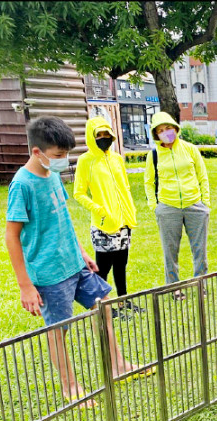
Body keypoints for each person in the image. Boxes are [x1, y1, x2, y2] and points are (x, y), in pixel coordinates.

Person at [4, 116, 142, 408]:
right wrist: (25, 285)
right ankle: (70, 387)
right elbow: (12, 237)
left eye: (66, 155)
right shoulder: (22, 185)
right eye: (57, 156)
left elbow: (63, 218)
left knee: (103, 304)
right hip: (49, 273)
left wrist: (82, 253)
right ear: (37, 153)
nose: (63, 160)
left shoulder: (52, 175)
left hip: (74, 263)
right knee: (58, 330)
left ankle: (118, 364)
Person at [73, 116, 142, 319]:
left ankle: (123, 301)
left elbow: (125, 187)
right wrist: (98, 209)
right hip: (103, 225)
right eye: (99, 135)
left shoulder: (116, 159)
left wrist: (130, 211)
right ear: (91, 137)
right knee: (103, 268)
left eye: (106, 134)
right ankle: (103, 307)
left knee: (121, 265)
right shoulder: (86, 161)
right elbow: (79, 192)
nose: (104, 138)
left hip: (123, 222)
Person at [144, 111, 210, 292]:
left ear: (175, 128)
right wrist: (155, 206)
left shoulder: (190, 149)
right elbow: (148, 182)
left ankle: (200, 284)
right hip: (168, 207)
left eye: (169, 128)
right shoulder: (154, 155)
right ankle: (174, 287)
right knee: (170, 250)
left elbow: (202, 175)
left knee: (199, 250)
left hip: (194, 205)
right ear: (156, 134)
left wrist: (205, 202)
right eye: (161, 130)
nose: (166, 132)